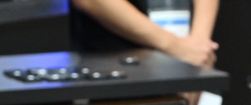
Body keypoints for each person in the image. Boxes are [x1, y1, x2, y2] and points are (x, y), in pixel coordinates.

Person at [70, 0, 219, 68]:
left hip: (195, 55)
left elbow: (196, 52)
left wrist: (199, 47)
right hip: (120, 63)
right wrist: (174, 46)